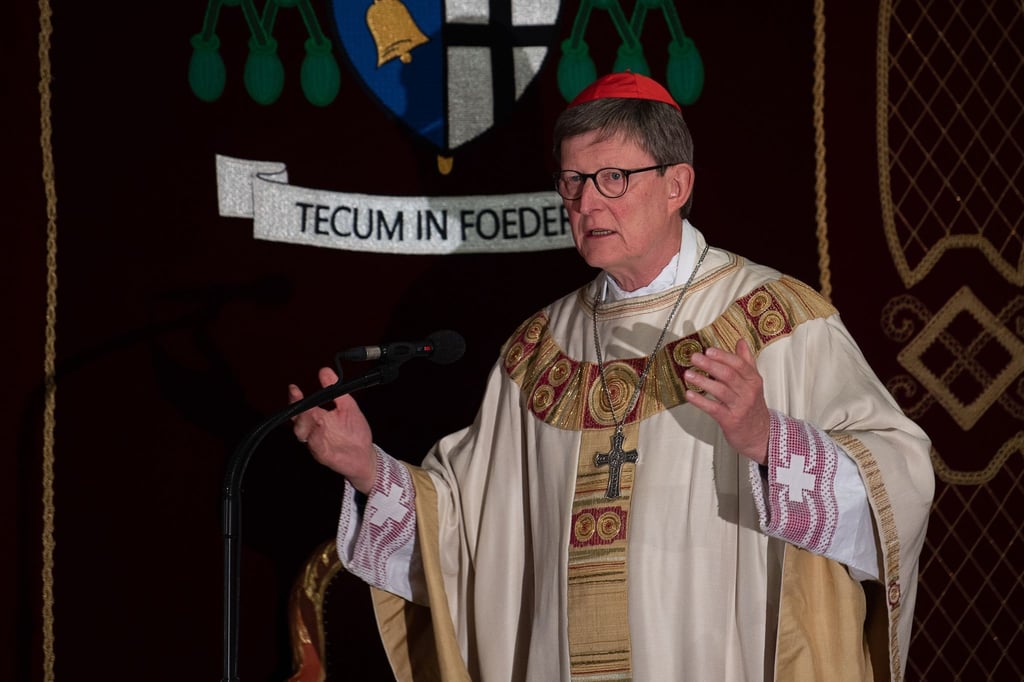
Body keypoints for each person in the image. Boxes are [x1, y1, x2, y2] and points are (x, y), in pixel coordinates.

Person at [289, 71, 934, 681]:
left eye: (613, 178)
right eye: (572, 182)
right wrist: (368, 468)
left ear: (678, 183)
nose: (586, 203)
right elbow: (465, 537)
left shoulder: (776, 320)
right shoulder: (536, 352)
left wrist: (770, 440)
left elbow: (899, 478)